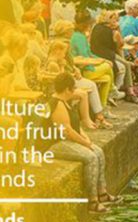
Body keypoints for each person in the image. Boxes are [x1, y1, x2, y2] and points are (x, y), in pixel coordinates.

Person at [48, 73, 122, 213]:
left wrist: (86, 138)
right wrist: (84, 143)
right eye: (73, 88)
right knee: (90, 157)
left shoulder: (66, 101)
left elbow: (76, 126)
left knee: (98, 151)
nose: (76, 91)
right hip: (55, 144)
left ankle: (103, 193)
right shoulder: (57, 104)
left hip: (67, 140)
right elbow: (67, 130)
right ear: (67, 90)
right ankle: (93, 201)